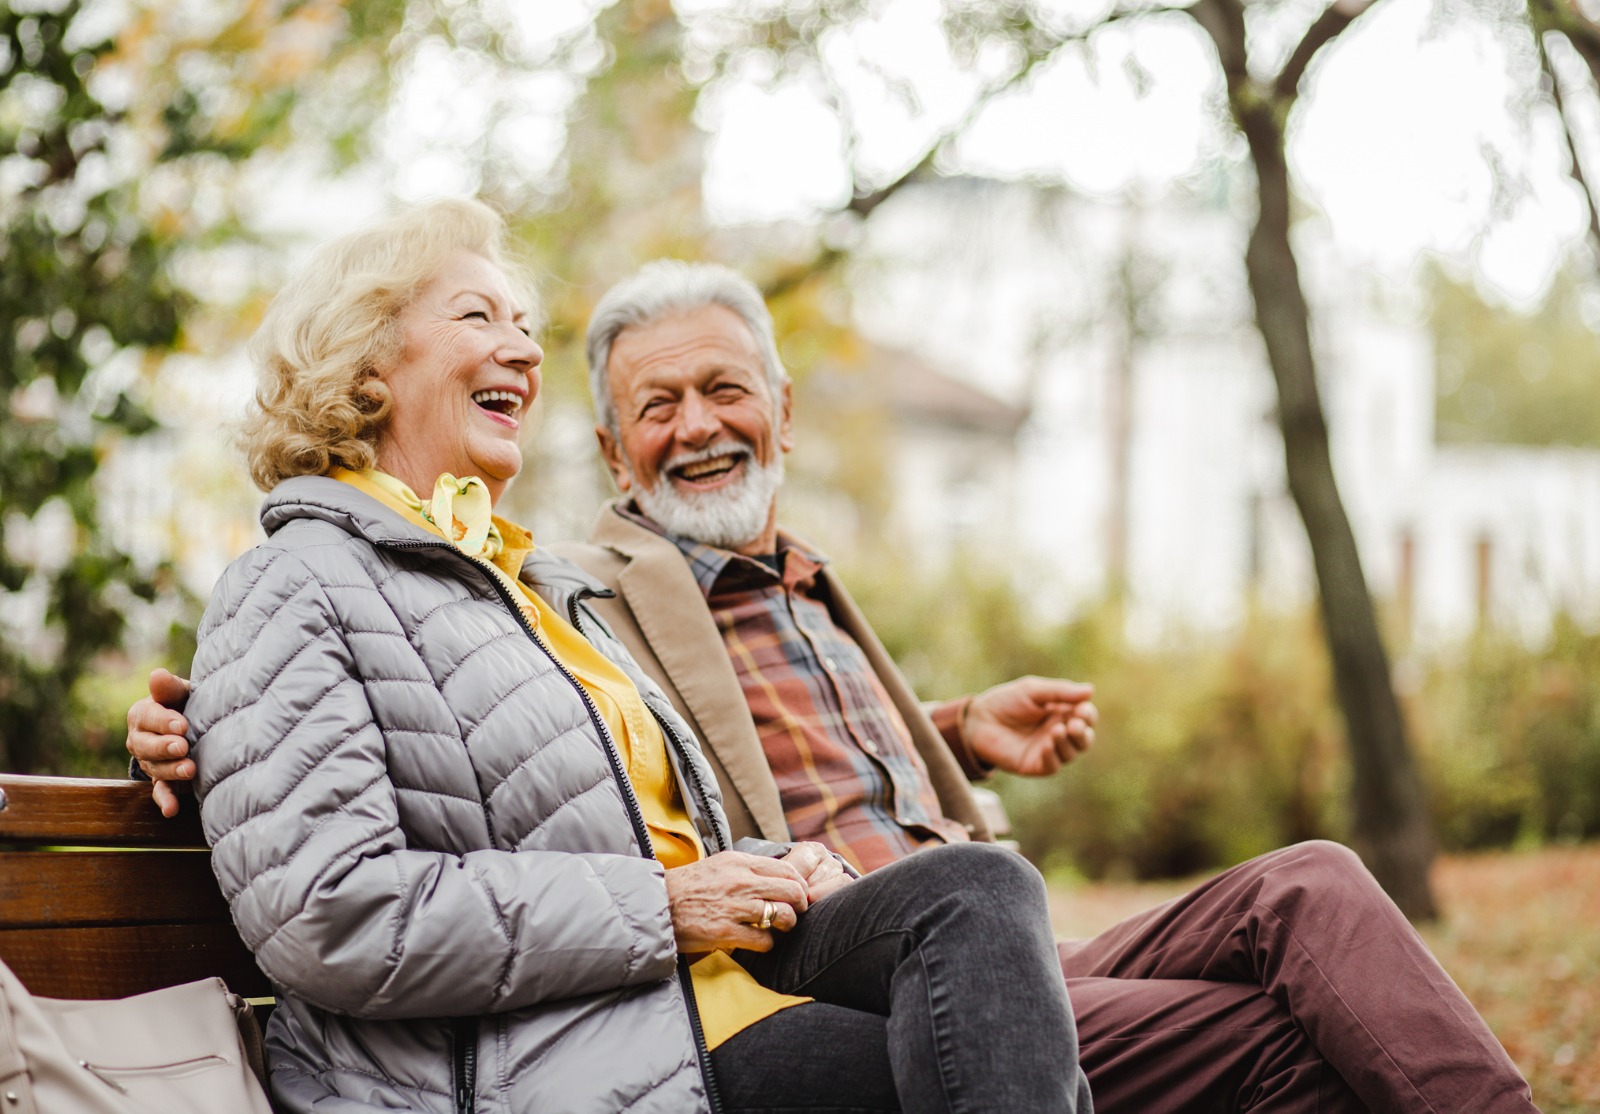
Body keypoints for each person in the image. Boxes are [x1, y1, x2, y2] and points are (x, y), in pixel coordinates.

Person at [132, 256, 1541, 1113]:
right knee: (1256, 1035)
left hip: (920, 944)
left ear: (786, 411)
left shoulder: (625, 585)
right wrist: (180, 725)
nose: (696, 427)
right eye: (655, 406)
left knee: (1302, 888)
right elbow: (343, 808)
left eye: (726, 391)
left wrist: (949, 735)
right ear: (614, 455)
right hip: (767, 978)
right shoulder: (585, 578)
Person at [171, 198, 1092, 1114]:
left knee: (979, 890)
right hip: (550, 1056)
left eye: (523, 324)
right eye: (478, 316)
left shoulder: (527, 584)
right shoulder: (292, 583)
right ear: (366, 364)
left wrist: (777, 865)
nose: (526, 351)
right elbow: (330, 913)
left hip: (696, 994)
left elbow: (627, 837)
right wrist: (668, 906)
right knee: (1000, 1064)